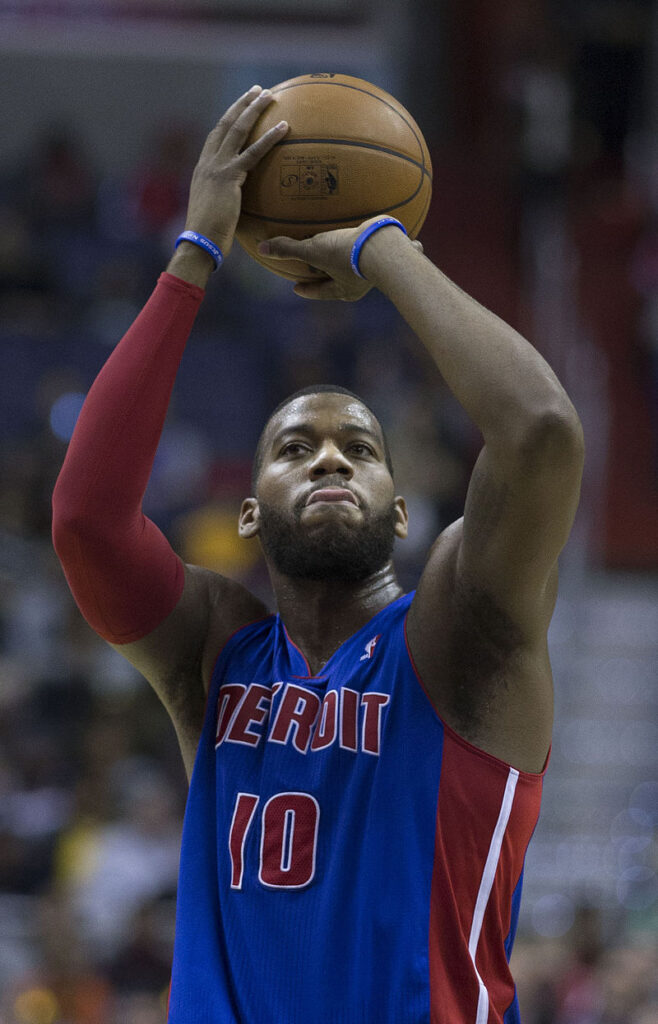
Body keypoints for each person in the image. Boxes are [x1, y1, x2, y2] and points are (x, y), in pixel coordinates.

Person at [52, 85, 585, 1023]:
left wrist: (382, 245)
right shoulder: (213, 651)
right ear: (249, 512)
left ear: (402, 511)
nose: (331, 454)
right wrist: (196, 250)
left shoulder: (463, 635)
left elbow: (540, 430)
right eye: (293, 449)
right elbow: (88, 521)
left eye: (361, 448)